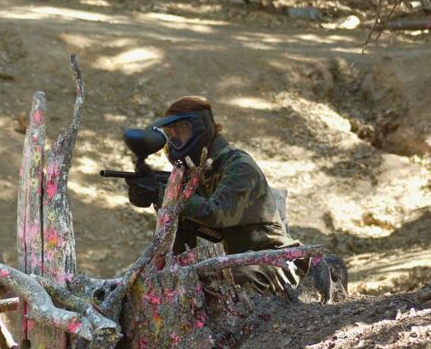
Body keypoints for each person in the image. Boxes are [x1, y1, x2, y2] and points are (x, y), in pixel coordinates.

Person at [126, 95, 311, 298]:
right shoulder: (194, 174)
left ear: (201, 127)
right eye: (170, 134)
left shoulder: (239, 166)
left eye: (181, 131)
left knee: (226, 279)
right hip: (237, 262)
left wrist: (163, 192)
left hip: (276, 261)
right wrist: (154, 196)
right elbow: (178, 237)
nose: (175, 140)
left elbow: (214, 212)